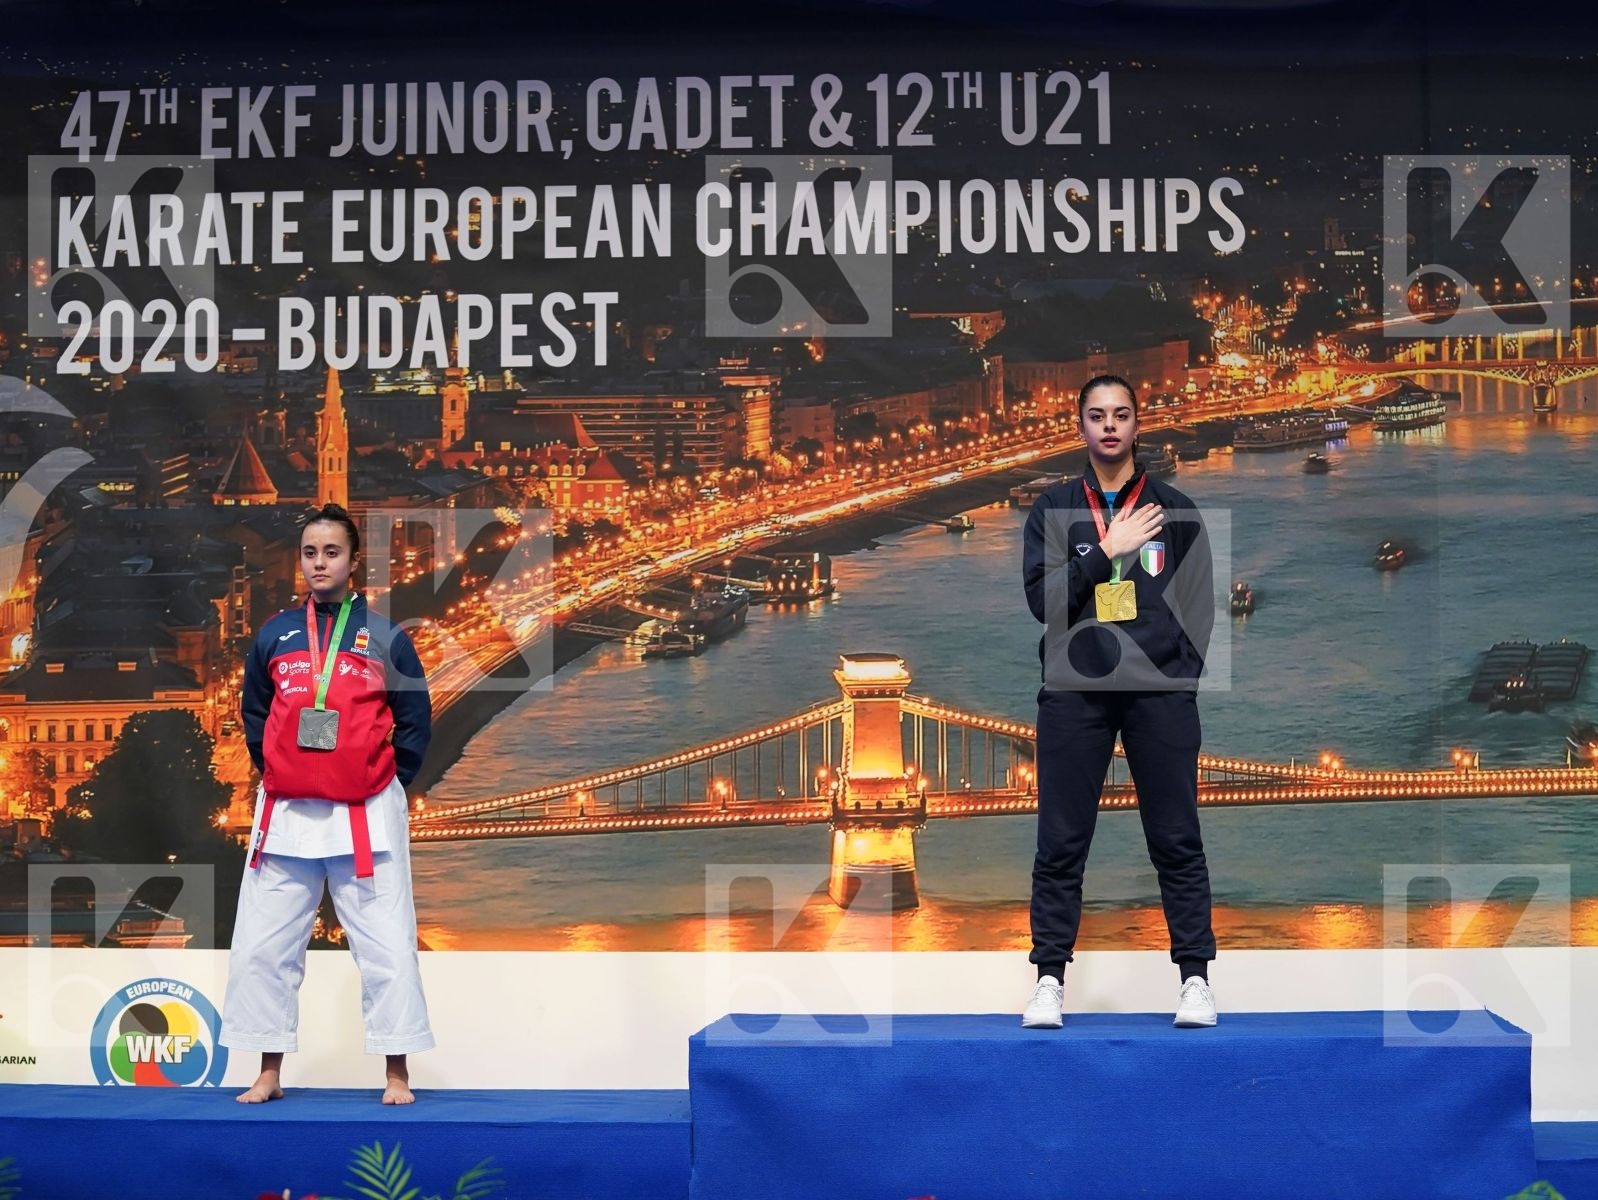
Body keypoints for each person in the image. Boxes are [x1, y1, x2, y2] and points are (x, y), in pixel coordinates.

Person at [1019, 375, 1217, 1030]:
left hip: (1158, 697)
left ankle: (1195, 981)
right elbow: (1041, 605)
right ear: (1079, 425)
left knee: (1177, 840)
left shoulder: (1177, 511)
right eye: (1097, 415)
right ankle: (1049, 980)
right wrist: (1106, 551)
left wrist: (1177, 678)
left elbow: (1200, 608)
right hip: (1074, 694)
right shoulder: (1051, 510)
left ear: (1138, 424)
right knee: (1061, 843)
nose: (1109, 426)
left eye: (1121, 415)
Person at [221, 502, 434, 1103]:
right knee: (265, 947)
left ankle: (397, 1073)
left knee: (388, 946)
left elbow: (414, 718)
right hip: (287, 810)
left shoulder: (387, 636)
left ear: (353, 560)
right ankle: (268, 1071)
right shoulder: (274, 634)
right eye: (311, 552)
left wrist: (389, 778)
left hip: (364, 811)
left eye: (332, 552)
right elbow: (255, 711)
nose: (320, 562)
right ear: (301, 560)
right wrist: (276, 768)